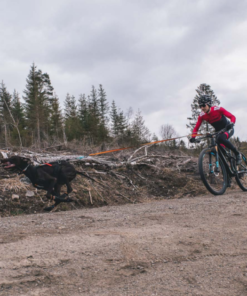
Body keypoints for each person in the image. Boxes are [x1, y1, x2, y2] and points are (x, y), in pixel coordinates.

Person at [189, 94, 242, 165]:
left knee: (221, 138)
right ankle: (226, 168)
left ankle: (237, 153)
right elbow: (196, 128)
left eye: (203, 105)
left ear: (208, 104)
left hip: (228, 128)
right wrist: (193, 137)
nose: (202, 108)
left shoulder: (218, 109)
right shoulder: (202, 116)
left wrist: (232, 123)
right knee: (217, 146)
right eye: (200, 106)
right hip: (218, 131)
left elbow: (232, 117)